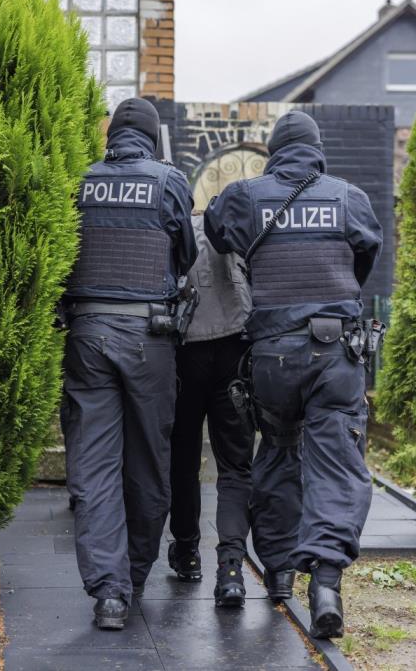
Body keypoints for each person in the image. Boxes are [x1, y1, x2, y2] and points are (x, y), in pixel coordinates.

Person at [204, 110, 382, 639]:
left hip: (272, 357)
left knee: (278, 453)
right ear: (317, 148)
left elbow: (215, 229)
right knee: (335, 464)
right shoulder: (348, 197)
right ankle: (325, 583)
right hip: (335, 353)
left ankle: (279, 568)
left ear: (275, 150)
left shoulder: (246, 194)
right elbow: (365, 257)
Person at [61, 97, 196, 631]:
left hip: (87, 334)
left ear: (111, 136)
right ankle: (133, 576)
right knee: (147, 461)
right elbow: (185, 254)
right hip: (149, 336)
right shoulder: (168, 182)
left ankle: (108, 593)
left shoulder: (81, 181)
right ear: (153, 137)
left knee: (92, 466)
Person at [167, 213, 255, 608]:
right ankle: (232, 569)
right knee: (235, 465)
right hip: (235, 348)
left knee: (183, 459)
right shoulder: (237, 229)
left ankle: (187, 553)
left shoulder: (177, 228)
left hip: (186, 350)